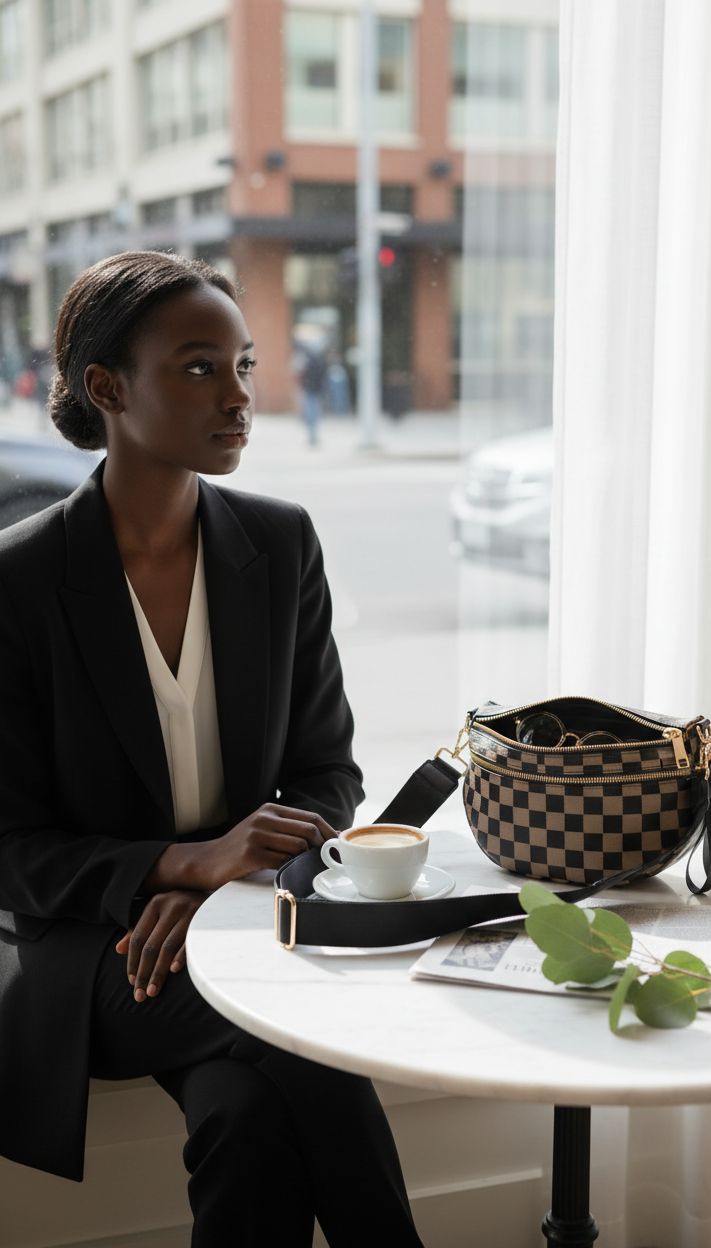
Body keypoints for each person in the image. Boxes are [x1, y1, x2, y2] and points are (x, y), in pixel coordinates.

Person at [0, 250, 423, 1248]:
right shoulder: (19, 585)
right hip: (89, 950)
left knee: (246, 1117)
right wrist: (177, 866)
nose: (238, 399)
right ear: (107, 388)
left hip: (231, 924)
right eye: (198, 367)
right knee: (306, 1044)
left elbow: (328, 771)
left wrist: (219, 891)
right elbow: (10, 848)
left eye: (242, 367)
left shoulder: (279, 545)